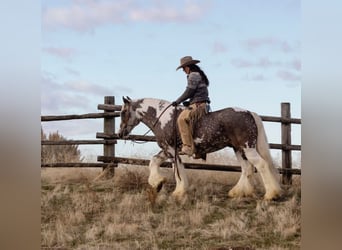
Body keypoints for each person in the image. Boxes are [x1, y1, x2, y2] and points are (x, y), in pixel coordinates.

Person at [172, 56, 210, 156]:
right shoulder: (198, 75)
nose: (183, 71)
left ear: (188, 67)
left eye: (184, 68)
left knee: (181, 119)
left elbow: (189, 91)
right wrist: (189, 102)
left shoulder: (193, 75)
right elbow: (196, 92)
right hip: (199, 102)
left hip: (198, 105)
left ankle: (188, 146)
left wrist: (178, 101)